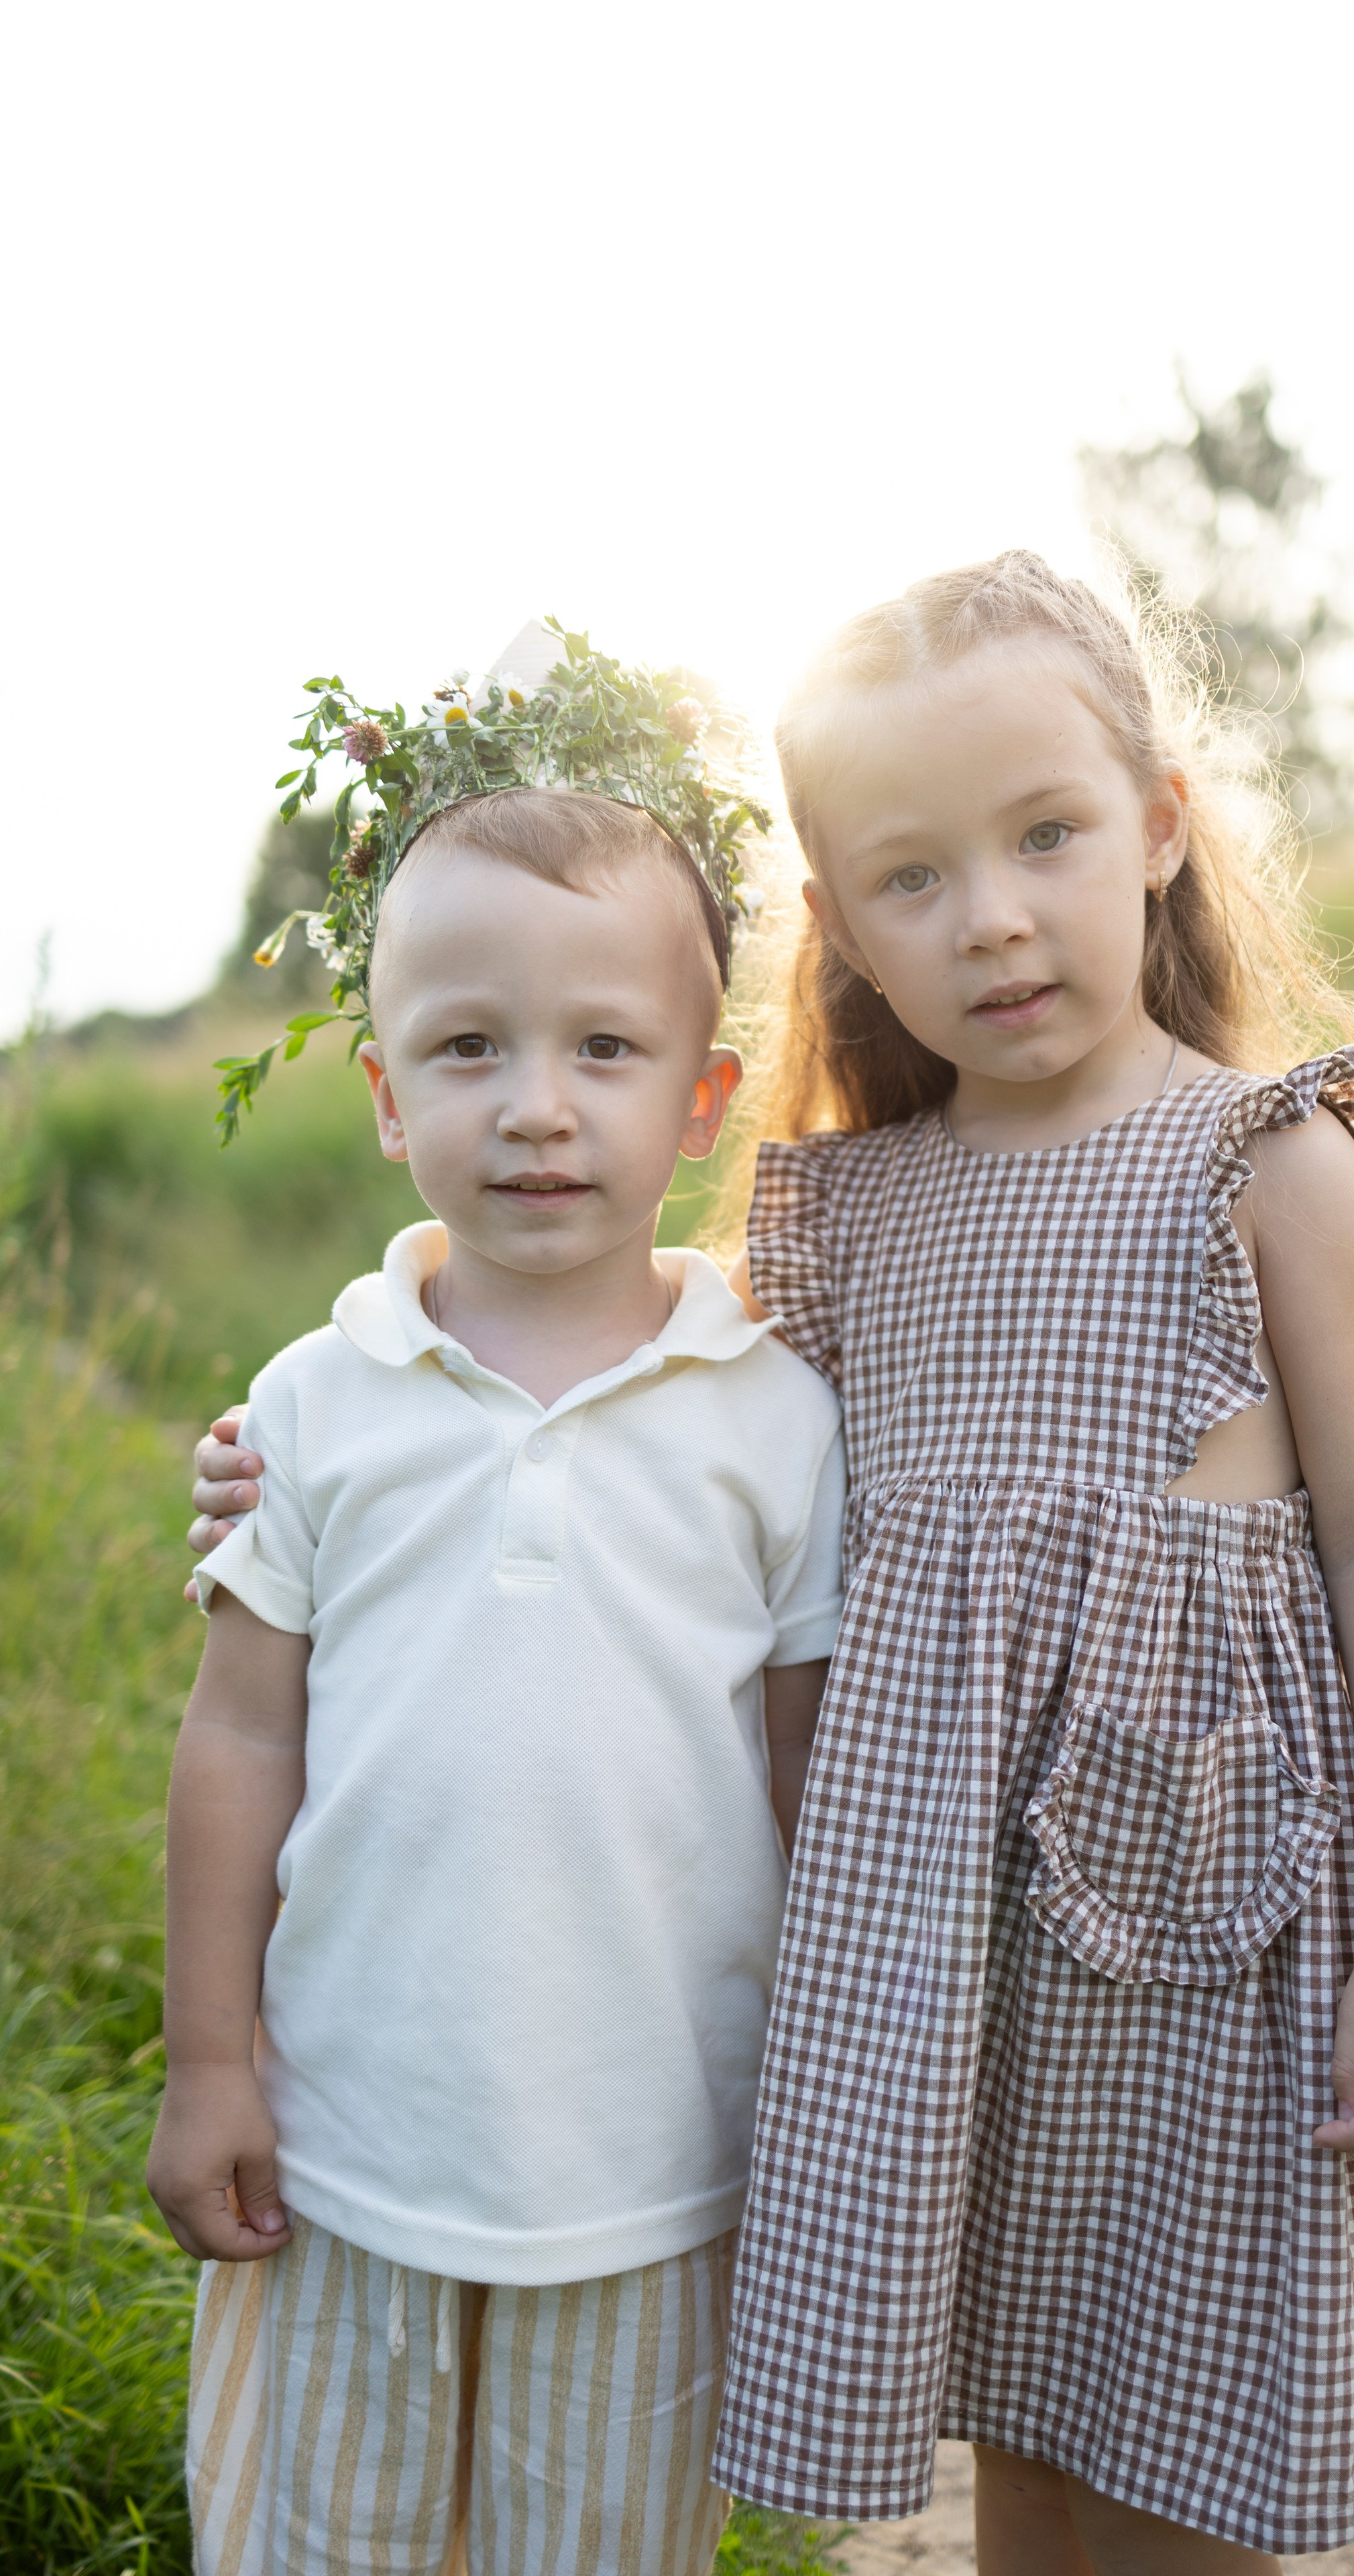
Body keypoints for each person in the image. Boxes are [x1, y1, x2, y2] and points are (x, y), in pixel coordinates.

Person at [191, 555, 1354, 2575]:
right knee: (1022, 2452)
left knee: (1184, 2448)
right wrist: (302, 1451)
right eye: (909, 878)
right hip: (936, 1972)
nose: (989, 914)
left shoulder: (1273, 1159)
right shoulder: (843, 1221)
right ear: (839, 935)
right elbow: (621, 1402)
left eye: (1049, 837)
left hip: (1201, 1937)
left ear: (1160, 827)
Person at [156, 718, 845, 2572]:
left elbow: (802, 1771)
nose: (538, 1106)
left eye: (604, 1049)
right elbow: (237, 1748)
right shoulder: (316, 1405)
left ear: (701, 1101)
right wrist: (208, 2062)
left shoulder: (774, 1419)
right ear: (388, 1095)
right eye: (471, 1048)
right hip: (345, 2153)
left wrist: (812, 2087)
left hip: (650, 2166)